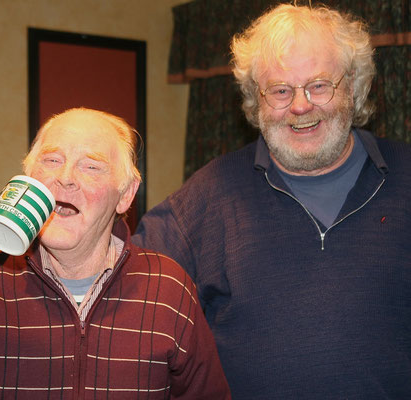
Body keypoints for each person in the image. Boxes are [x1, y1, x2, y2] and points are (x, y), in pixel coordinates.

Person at [133, 3, 411, 399]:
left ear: (355, 85)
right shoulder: (209, 194)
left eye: (319, 85)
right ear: (256, 101)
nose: (300, 106)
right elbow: (124, 279)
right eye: (280, 90)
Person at [0, 108, 230, 399]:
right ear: (28, 179)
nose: (65, 178)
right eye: (52, 160)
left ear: (125, 195)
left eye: (91, 166)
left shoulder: (168, 288)